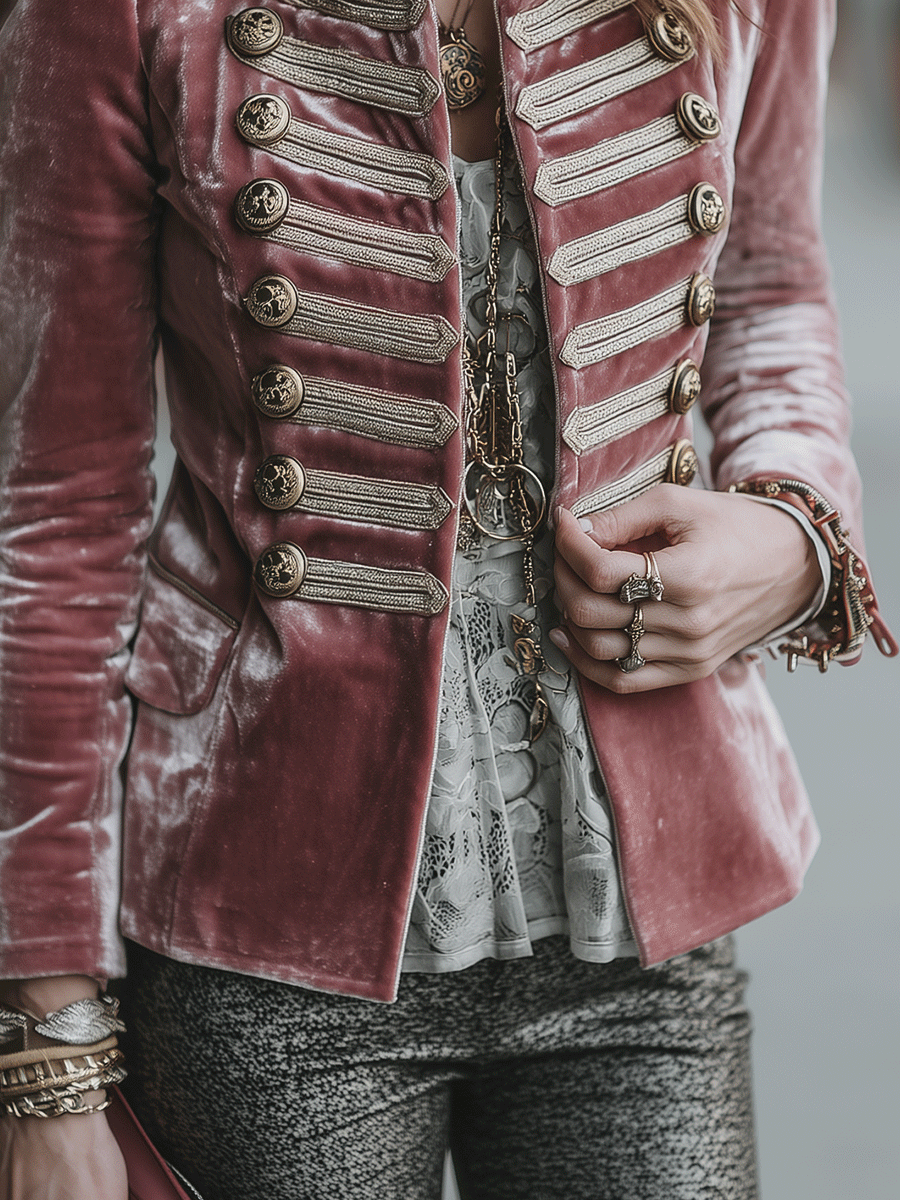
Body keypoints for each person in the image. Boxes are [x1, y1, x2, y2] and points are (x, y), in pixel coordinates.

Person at [0, 1, 895, 1197]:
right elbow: (58, 508)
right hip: (268, 935)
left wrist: (793, 531)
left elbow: (773, 285)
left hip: (638, 917)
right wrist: (48, 1057)